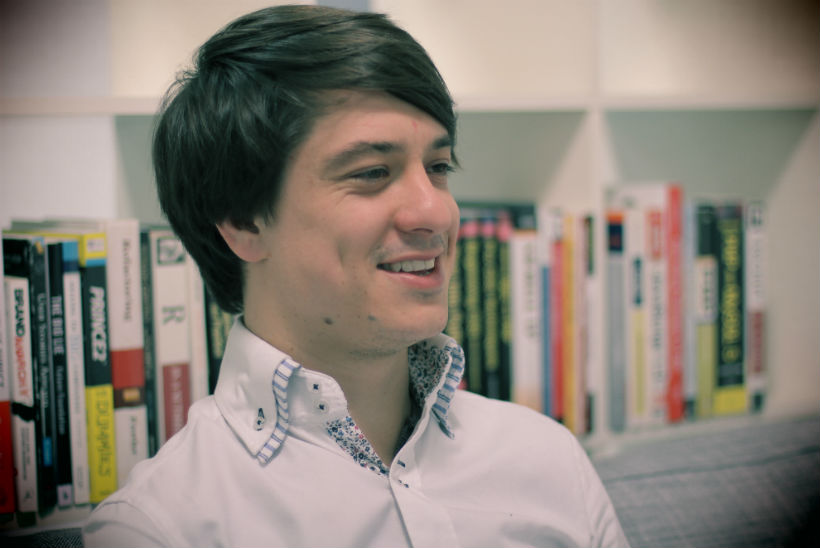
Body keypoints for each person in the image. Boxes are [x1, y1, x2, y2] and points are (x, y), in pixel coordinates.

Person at [83, 5, 629, 547]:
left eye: (439, 168)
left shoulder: (549, 458)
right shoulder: (157, 528)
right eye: (371, 173)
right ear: (244, 222)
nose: (436, 213)